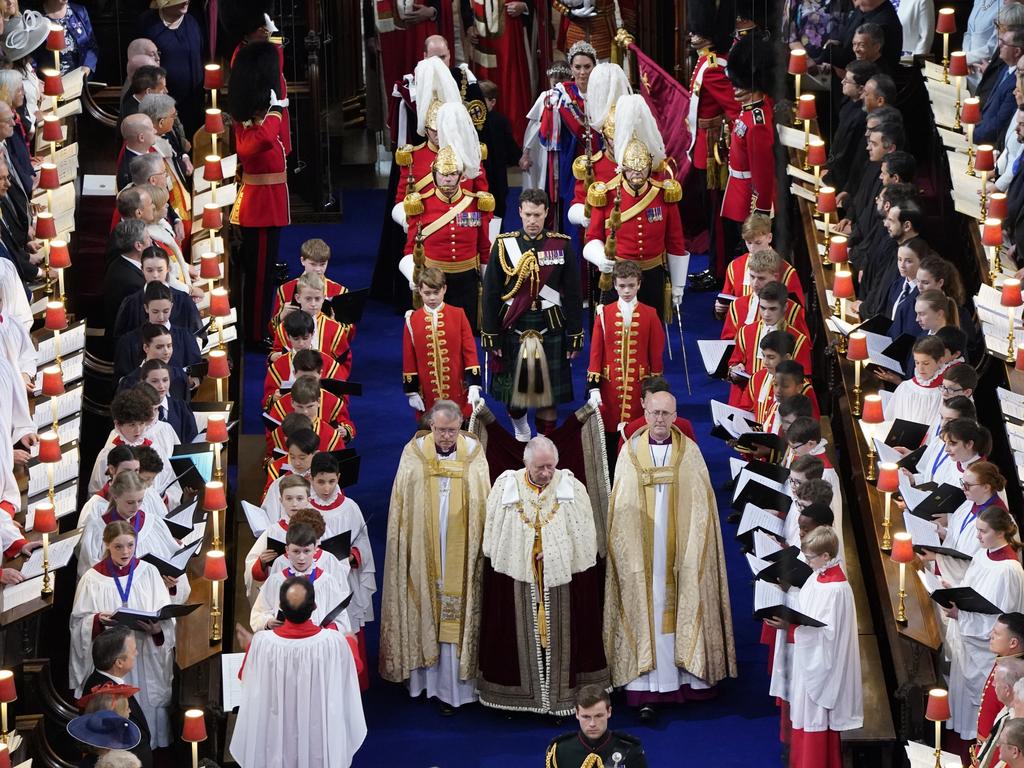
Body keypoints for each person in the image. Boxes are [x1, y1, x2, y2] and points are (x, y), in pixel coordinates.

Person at [604, 391, 736, 720]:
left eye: (666, 413)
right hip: (643, 553)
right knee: (645, 606)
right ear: (644, 413)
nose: (660, 420)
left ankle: (688, 677)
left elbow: (702, 508)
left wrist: (693, 550)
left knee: (685, 600)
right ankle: (645, 686)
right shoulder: (629, 453)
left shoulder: (689, 453)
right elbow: (620, 510)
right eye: (654, 413)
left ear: (676, 416)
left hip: (681, 553)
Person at [477, 436, 610, 714]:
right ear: (526, 463)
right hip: (519, 583)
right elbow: (493, 539)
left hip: (561, 585)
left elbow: (586, 541)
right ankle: (517, 700)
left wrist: (554, 554)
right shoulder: (506, 486)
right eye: (540, 468)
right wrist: (526, 555)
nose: (547, 473)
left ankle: (563, 697)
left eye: (551, 467)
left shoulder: (572, 487)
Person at [379, 400, 490, 712]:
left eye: (452, 430)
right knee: (427, 605)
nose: (445, 437)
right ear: (430, 426)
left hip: (461, 546)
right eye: (440, 430)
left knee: (458, 610)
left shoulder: (472, 453)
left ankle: (459, 689)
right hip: (423, 545)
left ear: (460, 427)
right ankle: (426, 683)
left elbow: (482, 498)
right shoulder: (414, 454)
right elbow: (403, 502)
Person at [230, 577, 366, 768]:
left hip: (277, 730)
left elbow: (246, 677)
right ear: (315, 607)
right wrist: (351, 642)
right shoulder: (333, 642)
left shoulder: (262, 643)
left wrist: (251, 648)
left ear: (281, 608)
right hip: (317, 729)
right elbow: (353, 669)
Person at [480, 188, 582, 440]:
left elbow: (573, 294)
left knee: (549, 396)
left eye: (537, 214)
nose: (532, 221)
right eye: (528, 214)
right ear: (519, 213)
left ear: (546, 212)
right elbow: (491, 292)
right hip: (513, 324)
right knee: (515, 395)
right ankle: (522, 432)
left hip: (551, 325)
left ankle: (544, 443)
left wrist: (574, 336)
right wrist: (491, 335)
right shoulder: (505, 245)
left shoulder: (561, 244)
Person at [70, 522, 177, 748]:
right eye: (118, 547)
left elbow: (167, 617)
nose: (126, 552)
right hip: (113, 659)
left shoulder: (148, 572)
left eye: (130, 545)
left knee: (145, 707)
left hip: (144, 651)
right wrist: (97, 620)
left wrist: (158, 630)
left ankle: (149, 746)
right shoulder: (92, 579)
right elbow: (78, 623)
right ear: (107, 545)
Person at [583, 94, 686, 321]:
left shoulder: (663, 194)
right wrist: (602, 259)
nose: (636, 175)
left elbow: (675, 242)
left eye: (641, 170)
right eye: (631, 170)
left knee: (651, 330)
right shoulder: (606, 193)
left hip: (652, 274)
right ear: (622, 168)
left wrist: (678, 284)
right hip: (618, 275)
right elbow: (592, 236)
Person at [768, 526, 863, 768]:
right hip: (807, 659)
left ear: (826, 556)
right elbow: (806, 609)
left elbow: (827, 636)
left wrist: (790, 628)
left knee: (815, 719)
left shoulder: (836, 589)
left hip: (822, 667)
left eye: (810, 557)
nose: (807, 562)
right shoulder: (819, 576)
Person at [398, 105, 494, 332]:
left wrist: (488, 280)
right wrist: (414, 274)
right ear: (434, 175)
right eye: (444, 174)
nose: (448, 179)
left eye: (452, 174)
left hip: (467, 281)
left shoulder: (475, 202)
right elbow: (411, 247)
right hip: (433, 280)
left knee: (466, 335)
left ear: (461, 176)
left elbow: (483, 246)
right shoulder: (419, 204)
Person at [226, 41, 290, 343]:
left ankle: (258, 326)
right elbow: (264, 140)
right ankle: (254, 333)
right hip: (261, 210)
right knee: (259, 278)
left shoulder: (256, 122)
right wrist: (276, 111)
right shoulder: (249, 129)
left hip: (270, 206)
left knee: (265, 277)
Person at [944, 508, 1024, 747]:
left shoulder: (1009, 570)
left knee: (983, 710)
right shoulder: (983, 553)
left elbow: (1002, 622)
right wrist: (953, 591)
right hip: (967, 639)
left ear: (1000, 532)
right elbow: (972, 589)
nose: (977, 536)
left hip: (985, 650)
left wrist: (962, 616)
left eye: (982, 531)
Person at [587, 260, 665, 430]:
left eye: (631, 285)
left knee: (636, 430)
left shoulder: (650, 314)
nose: (627, 290)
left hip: (639, 386)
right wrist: (593, 388)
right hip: (609, 386)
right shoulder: (603, 314)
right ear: (614, 285)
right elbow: (595, 352)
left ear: (639, 284)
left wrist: (654, 388)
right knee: (608, 432)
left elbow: (656, 353)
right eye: (622, 286)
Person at [720, 34, 775, 261]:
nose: (734, 89)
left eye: (739, 84)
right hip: (737, 190)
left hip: (747, 201)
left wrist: (759, 214)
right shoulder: (749, 110)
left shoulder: (757, 121)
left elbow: (762, 173)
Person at [402, 267, 480, 419]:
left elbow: (470, 351)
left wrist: (474, 385)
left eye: (436, 292)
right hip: (428, 393)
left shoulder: (458, 314)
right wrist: (412, 392)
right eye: (427, 293)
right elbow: (409, 357)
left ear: (444, 289)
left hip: (457, 390)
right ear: (419, 291)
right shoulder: (411, 320)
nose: (432, 298)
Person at [80, 627, 153, 768]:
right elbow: (111, 742)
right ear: (119, 662)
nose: (136, 653)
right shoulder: (105, 695)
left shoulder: (100, 679)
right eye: (133, 651)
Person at [135, 0, 203, 133]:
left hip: (193, 102)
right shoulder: (147, 23)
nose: (186, 2)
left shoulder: (193, 21)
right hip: (161, 104)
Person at [545, 685, 648, 767]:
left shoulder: (629, 749)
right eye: (586, 717)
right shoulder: (561, 751)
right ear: (577, 714)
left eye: (599, 716)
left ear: (609, 712)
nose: (592, 724)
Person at [36, 0, 97, 75]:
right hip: (47, 82)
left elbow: (91, 46)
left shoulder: (79, 11)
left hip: (77, 81)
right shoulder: (35, 18)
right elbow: (30, 57)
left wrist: (86, 67)